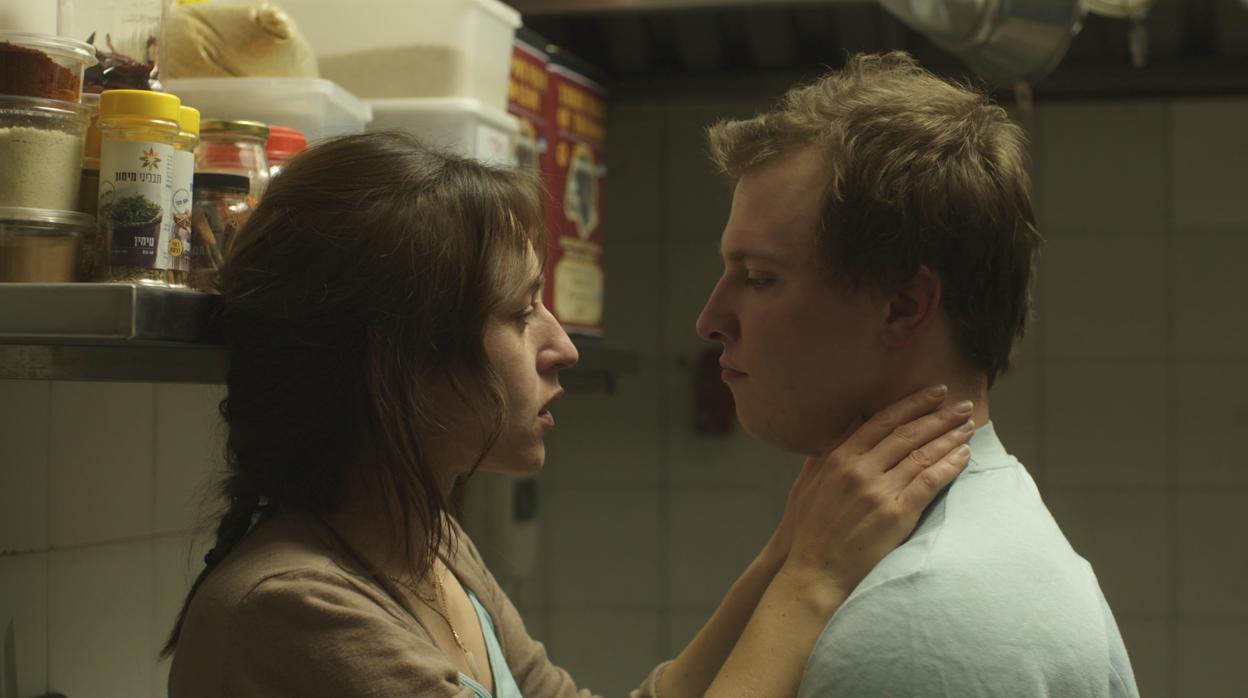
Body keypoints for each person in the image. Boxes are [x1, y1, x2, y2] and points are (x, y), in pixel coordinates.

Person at [162, 131, 976, 697]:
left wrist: (789, 547)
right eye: (521, 314)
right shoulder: (292, 612)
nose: (562, 348)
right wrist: (813, 581)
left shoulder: (428, 545)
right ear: (396, 365)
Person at [695, 52, 1139, 697]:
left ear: (903, 307)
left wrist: (806, 581)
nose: (710, 319)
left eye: (760, 278)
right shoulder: (987, 542)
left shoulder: (916, 626)